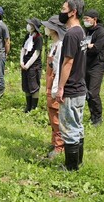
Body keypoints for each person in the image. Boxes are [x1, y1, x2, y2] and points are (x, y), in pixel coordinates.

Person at [56, 0, 87, 171]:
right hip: (80, 88)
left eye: (64, 9)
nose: (61, 12)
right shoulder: (81, 32)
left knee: (69, 128)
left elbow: (68, 62)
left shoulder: (71, 34)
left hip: (72, 88)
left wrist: (61, 87)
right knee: (78, 126)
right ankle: (78, 163)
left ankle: (71, 167)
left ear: (73, 12)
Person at [42, 15, 66, 159]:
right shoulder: (54, 45)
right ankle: (54, 142)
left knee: (57, 115)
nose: (46, 29)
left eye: (48, 26)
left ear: (54, 29)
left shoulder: (61, 45)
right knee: (51, 113)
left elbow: (59, 69)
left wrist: (56, 89)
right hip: (50, 84)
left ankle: (60, 146)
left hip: (55, 83)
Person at [83, 9, 104, 127]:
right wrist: (88, 45)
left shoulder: (102, 32)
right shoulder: (86, 30)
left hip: (97, 65)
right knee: (87, 91)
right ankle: (92, 115)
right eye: (84, 19)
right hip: (86, 63)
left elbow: (96, 49)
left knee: (93, 92)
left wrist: (88, 46)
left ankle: (98, 117)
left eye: (87, 19)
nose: (85, 21)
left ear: (95, 19)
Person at [20, 18, 42, 112]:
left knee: (34, 85)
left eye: (30, 24)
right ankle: (28, 106)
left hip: (34, 65)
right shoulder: (27, 36)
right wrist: (21, 61)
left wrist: (28, 65)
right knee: (26, 85)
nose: (28, 26)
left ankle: (34, 107)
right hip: (25, 63)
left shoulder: (38, 37)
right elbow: (23, 49)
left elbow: (36, 53)